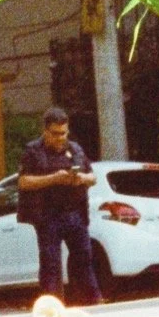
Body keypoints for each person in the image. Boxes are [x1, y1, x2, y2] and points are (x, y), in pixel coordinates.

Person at [18, 105, 100, 301]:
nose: (60, 138)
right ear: (45, 131)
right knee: (51, 266)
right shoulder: (33, 151)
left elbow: (93, 177)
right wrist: (53, 178)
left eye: (63, 133)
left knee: (84, 261)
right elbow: (23, 182)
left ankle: (91, 304)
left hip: (75, 214)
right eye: (55, 134)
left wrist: (81, 178)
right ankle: (53, 308)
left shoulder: (76, 149)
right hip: (47, 216)